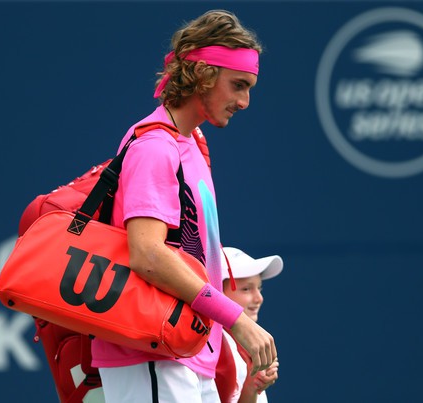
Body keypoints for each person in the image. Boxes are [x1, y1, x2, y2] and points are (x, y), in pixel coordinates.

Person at [90, 9, 277, 403]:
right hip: (151, 349)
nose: (245, 101)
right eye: (238, 85)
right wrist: (235, 318)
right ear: (204, 76)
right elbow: (148, 255)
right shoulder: (156, 147)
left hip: (186, 349)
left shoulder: (192, 143)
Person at [221, 247, 283, 403]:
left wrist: (252, 385)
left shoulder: (247, 349)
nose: (259, 298)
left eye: (259, 288)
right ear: (216, 292)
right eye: (246, 289)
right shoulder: (210, 346)